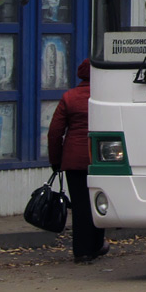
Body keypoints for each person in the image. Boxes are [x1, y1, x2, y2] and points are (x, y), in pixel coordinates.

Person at [48, 59, 108, 263]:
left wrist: (55, 161)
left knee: (81, 206)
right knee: (100, 202)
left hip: (74, 161)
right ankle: (97, 245)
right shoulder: (105, 96)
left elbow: (55, 132)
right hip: (101, 159)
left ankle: (81, 251)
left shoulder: (69, 97)